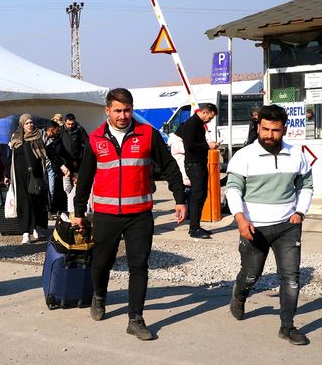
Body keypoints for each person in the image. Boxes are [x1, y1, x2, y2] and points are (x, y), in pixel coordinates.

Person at [73, 88, 187, 340]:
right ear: (107, 111)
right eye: (118, 111)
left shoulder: (147, 134)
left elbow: (169, 166)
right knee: (103, 261)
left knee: (139, 265)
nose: (123, 115)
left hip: (140, 215)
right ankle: (99, 296)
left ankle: (136, 319)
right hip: (105, 215)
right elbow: (85, 178)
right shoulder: (95, 140)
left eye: (127, 110)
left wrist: (180, 198)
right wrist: (79, 211)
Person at [226, 104, 314, 345]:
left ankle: (287, 326)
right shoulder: (244, 156)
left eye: (275, 130)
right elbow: (233, 188)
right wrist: (240, 217)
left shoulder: (296, 155)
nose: (269, 135)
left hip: (288, 226)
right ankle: (240, 294)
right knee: (251, 275)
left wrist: (299, 212)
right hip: (253, 227)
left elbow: (305, 185)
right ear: (258, 126)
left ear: (284, 129)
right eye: (264, 129)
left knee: (291, 277)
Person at [4, 113, 49, 244]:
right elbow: (10, 158)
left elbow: (46, 154)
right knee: (24, 203)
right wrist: (7, 174)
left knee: (35, 201)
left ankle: (35, 227)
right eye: (27, 123)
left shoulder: (38, 137)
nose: (30, 125)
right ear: (22, 125)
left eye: (31, 122)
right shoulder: (16, 138)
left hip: (36, 176)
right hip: (20, 176)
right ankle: (25, 232)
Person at [182, 103, 219, 239]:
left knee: (201, 195)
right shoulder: (192, 124)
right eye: (210, 116)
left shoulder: (198, 124)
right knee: (197, 195)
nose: (210, 120)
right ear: (205, 112)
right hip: (194, 164)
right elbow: (190, 146)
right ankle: (194, 228)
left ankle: (196, 224)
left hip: (199, 163)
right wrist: (207, 146)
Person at [43, 120, 69, 216]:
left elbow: (54, 155)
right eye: (57, 130)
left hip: (51, 167)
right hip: (41, 168)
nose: (58, 132)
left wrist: (62, 165)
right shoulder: (40, 137)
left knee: (51, 189)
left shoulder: (54, 139)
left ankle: (50, 209)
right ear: (51, 130)